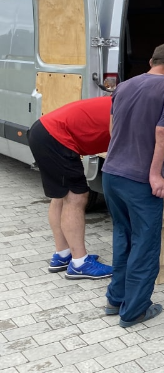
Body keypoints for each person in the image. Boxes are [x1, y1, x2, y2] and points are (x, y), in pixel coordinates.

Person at [102, 43, 164, 326]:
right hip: (139, 179)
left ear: (151, 60)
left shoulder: (123, 86)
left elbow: (113, 128)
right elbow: (163, 131)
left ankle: (116, 299)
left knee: (122, 236)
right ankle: (135, 310)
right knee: (145, 244)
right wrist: (155, 174)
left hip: (112, 173)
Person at [28, 96, 114, 279]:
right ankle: (80, 263)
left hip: (43, 131)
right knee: (77, 196)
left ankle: (63, 255)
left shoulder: (121, 101)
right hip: (57, 138)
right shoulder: (129, 109)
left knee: (60, 196)